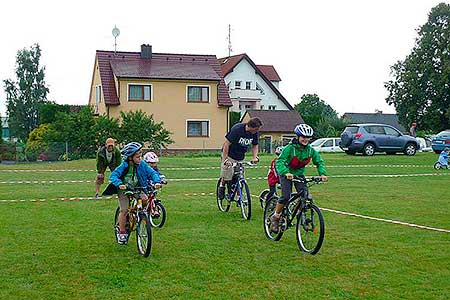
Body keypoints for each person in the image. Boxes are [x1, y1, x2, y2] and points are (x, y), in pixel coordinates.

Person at [271, 124, 328, 233]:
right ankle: (276, 217)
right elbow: (280, 162)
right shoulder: (289, 148)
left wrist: (322, 174)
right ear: (297, 137)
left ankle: (299, 213)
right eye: (303, 137)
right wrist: (286, 172)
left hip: (298, 174)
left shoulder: (310, 150)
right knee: (285, 196)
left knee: (305, 195)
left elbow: (319, 161)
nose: (305, 139)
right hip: (286, 173)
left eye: (308, 137)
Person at [110, 142, 161, 244]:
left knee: (145, 199)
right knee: (124, 210)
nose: (140, 159)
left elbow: (152, 173)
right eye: (137, 157)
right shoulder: (124, 166)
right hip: (124, 190)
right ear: (130, 158)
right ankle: (122, 232)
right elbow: (113, 176)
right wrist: (119, 184)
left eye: (140, 156)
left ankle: (139, 215)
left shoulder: (142, 165)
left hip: (138, 187)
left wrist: (157, 181)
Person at [218, 117, 263, 199]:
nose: (257, 131)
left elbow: (255, 145)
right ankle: (222, 186)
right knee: (227, 174)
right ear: (250, 127)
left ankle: (239, 196)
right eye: (256, 129)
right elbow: (226, 144)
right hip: (230, 154)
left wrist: (255, 157)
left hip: (240, 156)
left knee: (240, 176)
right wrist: (225, 159)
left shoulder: (254, 133)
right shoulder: (237, 129)